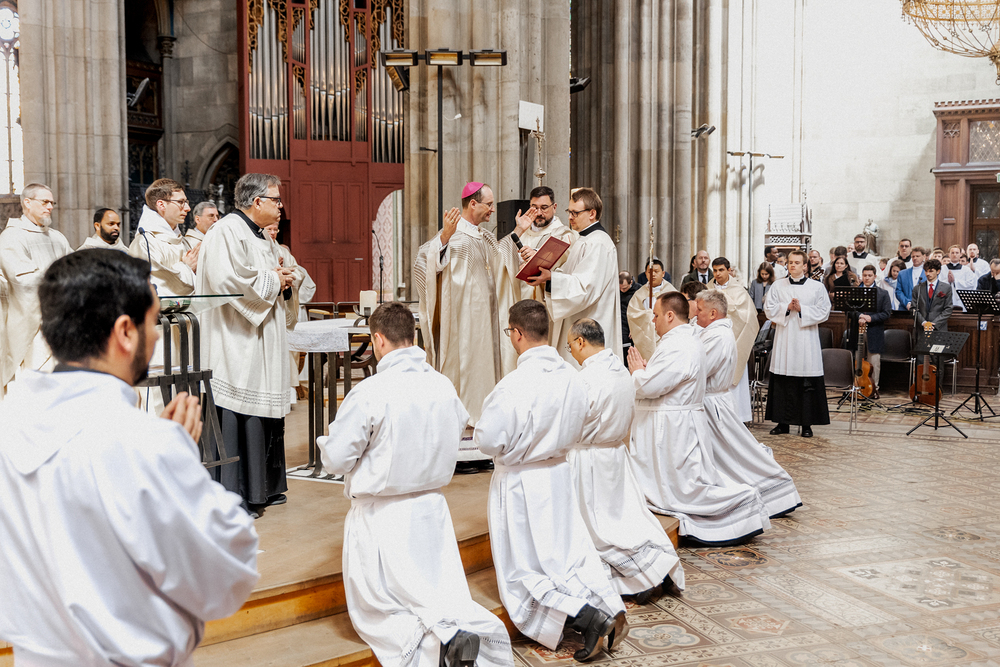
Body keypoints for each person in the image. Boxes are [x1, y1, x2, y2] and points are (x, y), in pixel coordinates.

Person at [0, 249, 258, 665]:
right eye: (153, 322)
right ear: (125, 331)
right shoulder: (142, 442)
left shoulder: (10, 423)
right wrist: (178, 458)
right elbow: (225, 576)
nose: (155, 337)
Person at [318, 302, 513, 667]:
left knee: (381, 609)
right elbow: (456, 432)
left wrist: (327, 443)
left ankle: (438, 645)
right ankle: (455, 631)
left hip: (382, 516)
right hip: (431, 513)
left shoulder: (371, 391)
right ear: (412, 335)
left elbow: (337, 459)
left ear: (378, 339)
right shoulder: (442, 385)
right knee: (438, 595)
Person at [475, 300, 626, 661]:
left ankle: (587, 618)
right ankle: (606, 605)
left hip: (522, 483)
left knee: (524, 568)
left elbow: (487, 440)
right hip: (560, 475)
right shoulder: (573, 377)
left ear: (517, 334)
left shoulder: (513, 385)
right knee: (567, 557)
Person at [627, 292, 770, 545]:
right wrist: (649, 371)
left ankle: (744, 504)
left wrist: (638, 373)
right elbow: (668, 378)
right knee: (684, 483)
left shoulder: (678, 344)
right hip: (680, 421)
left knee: (686, 489)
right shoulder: (682, 340)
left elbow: (650, 386)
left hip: (674, 427)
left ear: (670, 316)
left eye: (656, 315)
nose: (653, 321)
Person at [197, 173, 297, 518]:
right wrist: (273, 279)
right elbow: (225, 281)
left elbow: (270, 277)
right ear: (257, 202)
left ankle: (263, 488)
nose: (281, 206)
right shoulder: (225, 232)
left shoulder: (262, 236)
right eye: (276, 200)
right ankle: (237, 494)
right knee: (239, 412)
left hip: (261, 337)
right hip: (235, 340)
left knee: (263, 409)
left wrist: (284, 282)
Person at [565, 317, 685, 604]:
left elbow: (572, 423)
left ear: (581, 342)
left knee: (601, 531)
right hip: (617, 456)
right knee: (626, 518)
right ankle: (659, 566)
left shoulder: (584, 379)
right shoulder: (620, 370)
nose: (572, 353)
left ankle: (639, 577)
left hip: (589, 460)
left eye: (570, 346)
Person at [413, 182, 524, 470]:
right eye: (489, 204)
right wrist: (444, 239)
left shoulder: (485, 237)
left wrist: (518, 231)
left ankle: (484, 448)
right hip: (460, 327)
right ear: (472, 203)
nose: (492, 209)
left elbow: (501, 260)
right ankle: (462, 453)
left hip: (487, 326)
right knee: (462, 379)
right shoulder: (453, 235)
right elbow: (425, 262)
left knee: (487, 379)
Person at [695, 290, 801, 517]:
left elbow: (699, 370)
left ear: (713, 313)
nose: (696, 314)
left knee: (740, 454)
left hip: (714, 403)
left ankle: (776, 490)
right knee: (732, 455)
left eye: (700, 310)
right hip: (712, 402)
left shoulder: (717, 336)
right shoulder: (713, 332)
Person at [526, 187, 622, 369]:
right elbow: (570, 275)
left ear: (592, 213)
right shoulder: (583, 240)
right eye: (569, 212)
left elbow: (584, 289)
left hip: (589, 325)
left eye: (575, 213)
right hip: (577, 321)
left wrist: (552, 279)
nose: (570, 217)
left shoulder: (598, 243)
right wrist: (546, 275)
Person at [497, 186, 578, 374]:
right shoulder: (521, 233)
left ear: (554, 207)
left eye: (544, 207)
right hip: (519, 304)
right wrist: (518, 230)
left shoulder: (564, 234)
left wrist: (537, 257)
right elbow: (498, 260)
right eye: (534, 207)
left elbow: (566, 267)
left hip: (546, 310)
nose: (539, 213)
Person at [0, 183, 72, 391]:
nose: (50, 207)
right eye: (45, 202)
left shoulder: (58, 237)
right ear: (27, 203)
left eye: (52, 203)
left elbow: (75, 269)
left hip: (61, 320)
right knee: (37, 381)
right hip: (32, 322)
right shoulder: (12, 237)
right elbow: (23, 281)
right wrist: (62, 283)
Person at [764, 250, 832, 438]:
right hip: (784, 338)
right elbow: (769, 308)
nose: (792, 265)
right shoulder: (778, 286)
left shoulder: (816, 287)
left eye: (796, 262)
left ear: (805, 266)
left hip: (806, 339)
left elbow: (824, 311)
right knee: (783, 380)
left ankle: (806, 424)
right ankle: (782, 423)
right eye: (790, 262)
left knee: (806, 381)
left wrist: (802, 309)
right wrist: (786, 307)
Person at [265, 223, 316, 402]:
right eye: (269, 229)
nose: (273, 233)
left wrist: (286, 272)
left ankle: (288, 395)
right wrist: (272, 272)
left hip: (282, 308)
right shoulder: (255, 246)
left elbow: (299, 273)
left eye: (275, 230)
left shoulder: (282, 251)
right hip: (265, 311)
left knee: (286, 351)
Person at [129, 178, 199, 296]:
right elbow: (155, 286)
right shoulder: (145, 243)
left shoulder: (183, 241)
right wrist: (186, 268)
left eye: (186, 202)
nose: (188, 208)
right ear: (161, 205)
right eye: (181, 202)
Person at [710, 257, 759, 423]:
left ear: (729, 270)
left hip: (734, 340)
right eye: (715, 270)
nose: (717, 274)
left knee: (734, 381)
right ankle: (716, 418)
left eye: (721, 270)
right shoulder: (708, 289)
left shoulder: (739, 291)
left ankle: (737, 418)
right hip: (712, 341)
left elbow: (748, 317)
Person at [626, 257, 677, 360]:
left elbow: (677, 314)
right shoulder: (639, 294)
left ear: (663, 273)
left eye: (656, 271)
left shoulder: (671, 292)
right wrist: (647, 316)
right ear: (645, 274)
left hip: (665, 335)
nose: (653, 274)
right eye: (650, 272)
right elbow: (632, 314)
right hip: (646, 336)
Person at [857, 265, 892, 399]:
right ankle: (858, 386)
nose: (866, 278)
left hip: (874, 331)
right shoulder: (855, 291)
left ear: (875, 277)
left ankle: (873, 389)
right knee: (857, 360)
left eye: (869, 275)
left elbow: (886, 313)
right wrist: (859, 316)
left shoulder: (883, 293)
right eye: (864, 275)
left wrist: (870, 318)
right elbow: (849, 310)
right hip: (858, 331)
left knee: (874, 362)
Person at [914, 258, 953, 332]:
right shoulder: (918, 288)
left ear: (938, 271)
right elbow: (913, 308)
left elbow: (948, 309)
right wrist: (924, 322)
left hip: (939, 328)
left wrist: (934, 324)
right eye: (926, 271)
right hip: (921, 328)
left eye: (931, 271)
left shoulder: (946, 288)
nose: (927, 274)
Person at [943, 244, 976, 312]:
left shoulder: (966, 270)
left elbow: (971, 284)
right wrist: (948, 281)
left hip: (960, 301)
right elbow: (937, 283)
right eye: (952, 253)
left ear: (960, 254)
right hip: (945, 300)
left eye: (957, 253)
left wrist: (955, 281)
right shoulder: (942, 269)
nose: (955, 255)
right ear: (949, 255)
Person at [895, 246, 927, 311]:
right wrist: (907, 303)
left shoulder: (928, 273)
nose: (915, 258)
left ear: (924, 256)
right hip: (905, 309)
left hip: (923, 309)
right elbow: (898, 291)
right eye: (913, 256)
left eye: (917, 256)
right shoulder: (902, 273)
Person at [619, 271, 640, 361]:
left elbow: (641, 311)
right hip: (621, 322)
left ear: (631, 282)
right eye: (620, 288)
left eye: (624, 288)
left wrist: (634, 326)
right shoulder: (617, 290)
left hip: (634, 322)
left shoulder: (639, 290)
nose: (622, 290)